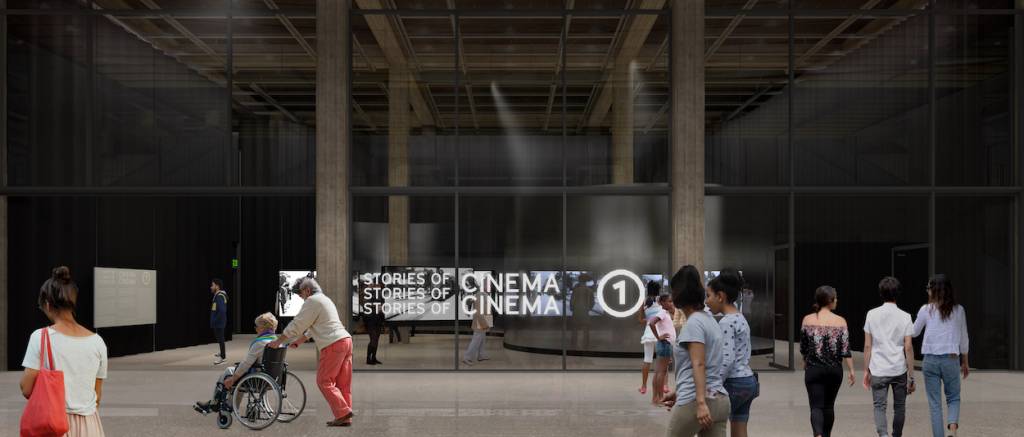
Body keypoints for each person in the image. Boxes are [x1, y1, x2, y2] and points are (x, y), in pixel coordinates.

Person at [20, 266, 108, 437]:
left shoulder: (41, 337)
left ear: (46, 304)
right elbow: (97, 395)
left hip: (53, 425)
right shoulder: (97, 342)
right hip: (90, 425)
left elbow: (26, 388)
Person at [268, 278, 354, 427]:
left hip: (333, 344)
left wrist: (278, 341)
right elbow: (314, 326)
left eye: (301, 294)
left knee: (324, 381)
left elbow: (298, 323)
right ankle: (345, 417)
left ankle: (343, 412)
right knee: (343, 384)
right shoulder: (324, 300)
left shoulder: (312, 301)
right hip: (346, 341)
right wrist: (299, 341)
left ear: (307, 290)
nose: (301, 298)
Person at [663, 265, 730, 437]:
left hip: (696, 402)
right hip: (719, 400)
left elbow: (699, 363)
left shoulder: (693, 323)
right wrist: (680, 391)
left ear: (679, 294)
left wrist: (699, 402)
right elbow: (709, 363)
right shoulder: (710, 321)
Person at [913, 274, 969, 437]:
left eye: (928, 288)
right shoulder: (959, 310)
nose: (927, 291)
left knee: (935, 404)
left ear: (933, 290)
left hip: (930, 360)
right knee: (953, 397)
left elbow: (914, 332)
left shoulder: (925, 310)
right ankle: (952, 429)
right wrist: (965, 361)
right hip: (951, 359)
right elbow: (964, 337)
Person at [705, 269, 758, 437]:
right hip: (747, 381)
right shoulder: (740, 317)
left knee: (710, 425)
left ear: (720, 296)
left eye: (708, 296)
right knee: (739, 427)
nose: (706, 302)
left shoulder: (726, 322)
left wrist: (713, 386)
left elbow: (726, 359)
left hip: (733, 384)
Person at [194, 312, 279, 415]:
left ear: (262, 328)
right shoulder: (277, 341)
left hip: (258, 378)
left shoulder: (260, 343)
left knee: (231, 373)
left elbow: (246, 364)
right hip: (274, 377)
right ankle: (226, 404)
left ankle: (219, 403)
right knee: (237, 373)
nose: (255, 329)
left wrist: (233, 378)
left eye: (256, 326)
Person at [862, 277, 916, 437]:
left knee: (879, 406)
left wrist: (866, 370)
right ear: (898, 293)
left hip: (878, 368)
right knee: (899, 407)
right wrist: (911, 376)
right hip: (899, 369)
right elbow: (908, 347)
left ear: (881, 293)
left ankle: (883, 435)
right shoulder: (906, 316)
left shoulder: (871, 314)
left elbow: (867, 346)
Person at [800, 285, 855, 437]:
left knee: (816, 406)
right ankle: (826, 435)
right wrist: (851, 370)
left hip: (813, 369)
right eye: (835, 298)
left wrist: (805, 361)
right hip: (834, 370)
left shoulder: (808, 320)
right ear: (830, 301)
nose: (837, 300)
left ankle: (817, 434)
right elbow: (845, 350)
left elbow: (804, 346)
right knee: (829, 406)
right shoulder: (841, 321)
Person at [648, 292, 676, 405]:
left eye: (672, 301)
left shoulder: (665, 313)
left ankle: (655, 398)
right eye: (669, 301)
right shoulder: (663, 312)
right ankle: (659, 398)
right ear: (662, 302)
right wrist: (658, 337)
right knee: (661, 372)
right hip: (665, 344)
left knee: (658, 372)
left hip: (665, 344)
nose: (671, 303)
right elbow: (651, 323)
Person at [638, 280, 663, 395]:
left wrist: (649, 319)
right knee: (662, 360)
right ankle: (664, 386)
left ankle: (643, 386)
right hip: (660, 332)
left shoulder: (643, 302)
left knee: (647, 360)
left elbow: (640, 320)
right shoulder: (661, 301)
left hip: (648, 332)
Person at [462, 277, 493, 366]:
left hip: (484, 320)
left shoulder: (484, 294)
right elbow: (479, 311)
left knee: (482, 338)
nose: (490, 286)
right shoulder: (480, 295)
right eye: (488, 284)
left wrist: (488, 322)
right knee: (476, 339)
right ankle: (467, 357)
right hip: (481, 321)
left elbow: (487, 309)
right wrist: (485, 323)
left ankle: (481, 355)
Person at [359, 281, 385, 365]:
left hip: (378, 318)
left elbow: (382, 305)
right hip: (370, 319)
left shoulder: (379, 294)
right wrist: (376, 306)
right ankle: (368, 358)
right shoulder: (365, 293)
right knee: (373, 339)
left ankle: (373, 357)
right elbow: (364, 304)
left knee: (376, 339)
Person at [570, 274, 595, 350]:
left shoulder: (576, 290)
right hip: (585, 312)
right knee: (586, 329)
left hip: (576, 311)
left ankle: (574, 345)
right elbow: (592, 302)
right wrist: (588, 308)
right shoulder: (589, 290)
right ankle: (586, 345)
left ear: (579, 280)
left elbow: (572, 301)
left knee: (575, 329)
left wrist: (572, 308)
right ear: (586, 281)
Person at [210, 278, 228, 365]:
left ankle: (223, 357)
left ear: (217, 286)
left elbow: (222, 310)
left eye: (212, 285)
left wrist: (215, 320)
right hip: (218, 322)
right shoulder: (218, 295)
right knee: (219, 339)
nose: (211, 287)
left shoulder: (220, 296)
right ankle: (222, 352)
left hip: (219, 322)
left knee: (221, 339)